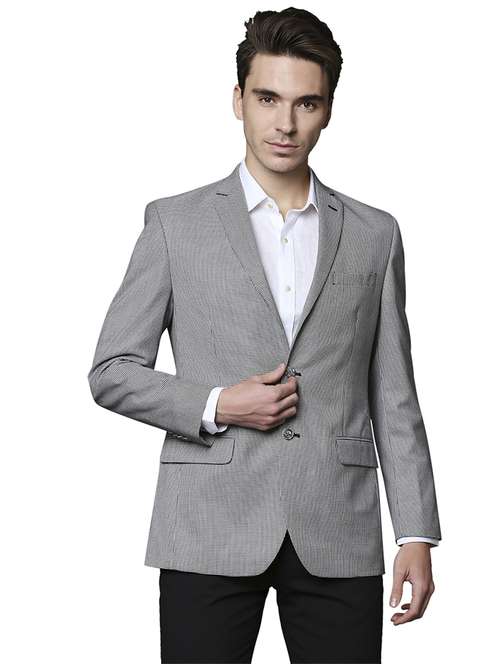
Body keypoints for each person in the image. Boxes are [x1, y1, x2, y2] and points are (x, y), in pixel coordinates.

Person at [88, 7, 442, 663]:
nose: (285, 124)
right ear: (238, 100)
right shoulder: (174, 224)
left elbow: (394, 395)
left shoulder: (375, 234)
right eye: (268, 98)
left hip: (337, 524)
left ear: (328, 110)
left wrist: (416, 533)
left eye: (307, 103)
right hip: (208, 523)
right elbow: (111, 372)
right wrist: (217, 404)